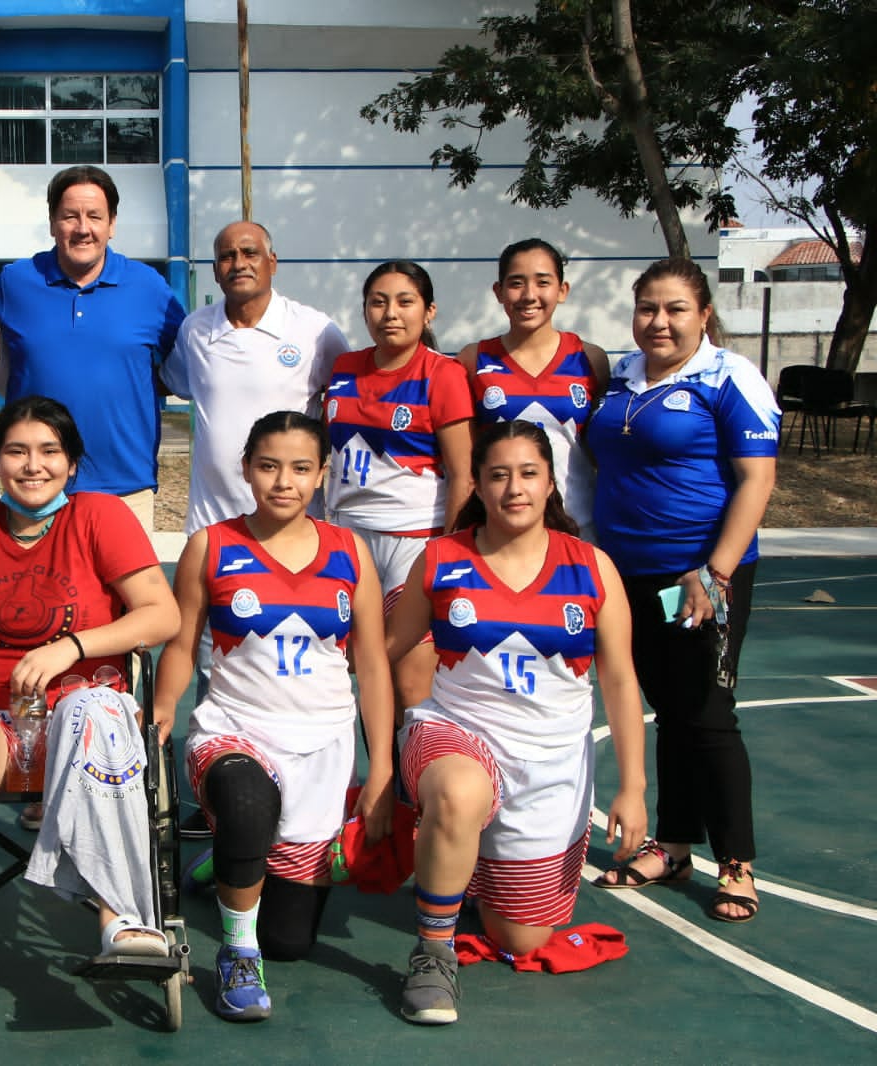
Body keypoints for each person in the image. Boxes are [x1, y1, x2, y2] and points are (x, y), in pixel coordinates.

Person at [0, 395, 180, 964]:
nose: (33, 465)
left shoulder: (99, 516)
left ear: (72, 463)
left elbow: (160, 613)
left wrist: (70, 646)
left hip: (83, 729)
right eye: (16, 451)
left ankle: (120, 914)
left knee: (94, 707)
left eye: (50, 451)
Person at [385, 420, 647, 1025]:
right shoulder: (442, 560)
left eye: (528, 473)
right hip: (457, 730)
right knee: (456, 792)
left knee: (522, 941)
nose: (514, 488)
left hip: (551, 757)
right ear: (476, 482)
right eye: (497, 475)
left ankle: (466, 866)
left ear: (552, 481)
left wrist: (632, 789)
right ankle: (433, 951)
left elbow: (619, 681)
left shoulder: (592, 567)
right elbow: (378, 654)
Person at [155, 411, 395, 1022]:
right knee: (244, 803)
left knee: (290, 942)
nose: (282, 481)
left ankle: (235, 858)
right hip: (238, 728)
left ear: (321, 476)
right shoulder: (211, 545)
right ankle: (237, 953)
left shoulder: (351, 553)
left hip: (323, 743)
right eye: (267, 466)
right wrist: (160, 712)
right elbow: (182, 645)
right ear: (245, 470)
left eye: (299, 468)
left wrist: (384, 766)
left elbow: (371, 666)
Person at [586, 258, 778, 924]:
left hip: (698, 576)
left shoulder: (729, 378)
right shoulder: (621, 377)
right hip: (626, 574)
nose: (658, 322)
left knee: (708, 714)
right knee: (665, 709)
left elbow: (757, 479)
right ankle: (672, 845)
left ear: (703, 315)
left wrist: (715, 572)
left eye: (673, 309)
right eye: (647, 308)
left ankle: (737, 864)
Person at [0, 165, 186, 528]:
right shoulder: (16, 282)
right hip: (35, 483)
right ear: (52, 222)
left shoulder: (148, 287)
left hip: (125, 487)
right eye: (70, 216)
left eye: (95, 216)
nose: (83, 228)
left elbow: (183, 363)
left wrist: (131, 384)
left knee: (123, 588)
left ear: (112, 223)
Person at [325, 260, 474, 712]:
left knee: (410, 682)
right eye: (378, 302)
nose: (390, 313)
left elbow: (463, 473)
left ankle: (418, 781)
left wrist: (448, 553)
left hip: (413, 541)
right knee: (362, 682)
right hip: (348, 539)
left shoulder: (442, 374)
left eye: (405, 302)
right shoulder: (344, 366)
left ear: (429, 312)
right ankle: (381, 784)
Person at [161, 222, 350, 536]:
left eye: (250, 253)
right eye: (227, 256)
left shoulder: (315, 330)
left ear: (272, 262)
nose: (239, 264)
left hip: (290, 525)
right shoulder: (194, 330)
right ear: (215, 271)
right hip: (213, 524)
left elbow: (348, 402)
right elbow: (171, 382)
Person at [456, 239, 609, 539]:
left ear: (562, 291)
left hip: (578, 525)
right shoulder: (473, 359)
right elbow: (464, 460)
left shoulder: (590, 358)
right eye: (516, 283)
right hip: (500, 527)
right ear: (498, 292)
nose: (529, 295)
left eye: (542, 282)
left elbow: (599, 452)